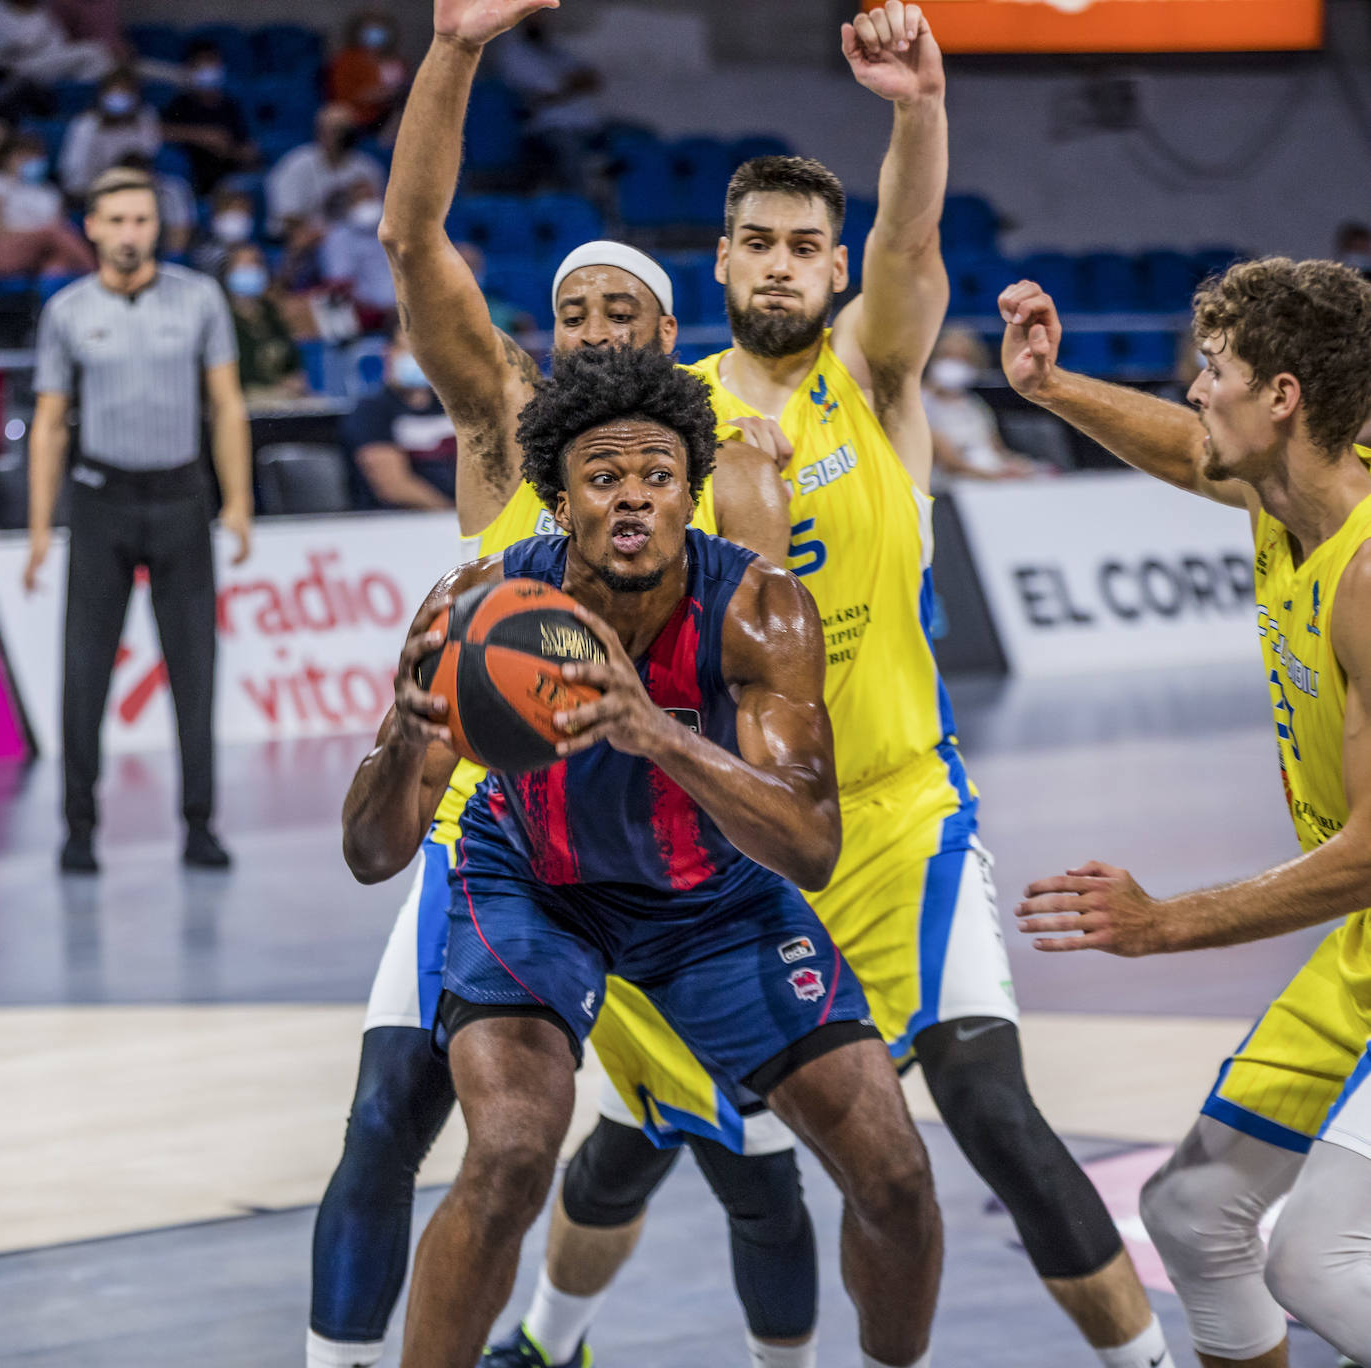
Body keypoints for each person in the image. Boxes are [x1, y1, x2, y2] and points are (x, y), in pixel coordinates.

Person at [490, 7, 1175, 1368]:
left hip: (893, 819)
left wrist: (918, 107)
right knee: (641, 1134)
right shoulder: (663, 424)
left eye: (811, 246)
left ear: (835, 267)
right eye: (760, 241)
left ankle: (1140, 1362)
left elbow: (915, 247)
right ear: (723, 258)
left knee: (985, 1108)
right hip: (724, 840)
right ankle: (544, 1337)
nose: (784, 265)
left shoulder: (873, 372)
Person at [306, 5, 793, 1361]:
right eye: (570, 308)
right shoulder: (502, 421)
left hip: (670, 849)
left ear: (665, 327)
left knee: (745, 1154)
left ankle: (555, 1329)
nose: (588, 329)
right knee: (397, 1116)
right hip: (498, 832)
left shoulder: (714, 461)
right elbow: (412, 240)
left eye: (617, 310)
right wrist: (455, 49)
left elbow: (752, 658)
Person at [342, 341, 944, 1368]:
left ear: (691, 491)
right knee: (511, 1156)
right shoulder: (481, 608)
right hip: (538, 886)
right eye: (603, 478)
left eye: (658, 477)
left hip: (713, 899)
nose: (633, 500)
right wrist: (405, 737)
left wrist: (657, 730)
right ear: (559, 500)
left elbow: (810, 845)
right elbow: (371, 854)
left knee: (893, 1177)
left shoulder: (758, 607)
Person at [1005, 259, 1371, 1368]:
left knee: (1316, 1258)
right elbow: (1181, 448)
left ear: (1285, 398)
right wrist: (1050, 387)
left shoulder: (1365, 578)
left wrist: (1166, 923)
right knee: (1195, 1214)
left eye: (1213, 369)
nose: (1193, 387)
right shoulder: (1282, 495)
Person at [24, 164, 252, 874]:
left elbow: (227, 405)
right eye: (116, 221)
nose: (129, 234)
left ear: (158, 227)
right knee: (84, 671)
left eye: (141, 221)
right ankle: (79, 829)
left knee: (195, 670)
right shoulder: (65, 311)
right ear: (91, 228)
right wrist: (39, 528)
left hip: (182, 501)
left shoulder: (200, 299)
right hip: (100, 504)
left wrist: (238, 501)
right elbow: (51, 424)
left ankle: (200, 825)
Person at [487, 7, 602, 192]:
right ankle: (579, 207)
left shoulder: (555, 51)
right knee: (570, 159)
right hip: (548, 128)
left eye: (543, 15)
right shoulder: (515, 53)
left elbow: (595, 80)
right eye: (533, 16)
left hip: (586, 126)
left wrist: (567, 86)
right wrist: (573, 84)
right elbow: (550, 88)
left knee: (631, 142)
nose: (540, 20)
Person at [341, 332, 455, 508]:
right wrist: (453, 517)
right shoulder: (371, 411)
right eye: (407, 349)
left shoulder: (458, 407)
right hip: (402, 523)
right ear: (388, 353)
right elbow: (393, 486)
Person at [922, 326, 1040, 482]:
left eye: (963, 358)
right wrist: (996, 476)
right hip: (949, 485)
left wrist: (1018, 465)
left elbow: (997, 449)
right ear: (933, 357)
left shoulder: (973, 404)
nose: (955, 363)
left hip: (987, 477)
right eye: (948, 355)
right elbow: (949, 463)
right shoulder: (921, 402)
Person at [265, 103, 385, 240]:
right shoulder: (295, 165)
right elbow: (288, 217)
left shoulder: (367, 167)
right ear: (319, 132)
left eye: (345, 130)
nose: (342, 136)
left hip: (355, 241)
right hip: (310, 241)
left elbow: (378, 215)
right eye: (336, 130)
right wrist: (325, 234)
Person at [161, 38, 255, 196]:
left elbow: (243, 143)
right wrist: (203, 137)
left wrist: (235, 150)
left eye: (212, 63)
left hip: (229, 174)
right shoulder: (181, 104)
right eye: (202, 64)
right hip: (194, 174)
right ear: (191, 69)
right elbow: (162, 131)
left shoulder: (230, 105)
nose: (209, 69)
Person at [0, 130, 95, 277]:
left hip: (43, 251)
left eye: (35, 156)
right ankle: (98, 273)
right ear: (7, 159)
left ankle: (44, 296)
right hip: (6, 250)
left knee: (58, 265)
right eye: (24, 156)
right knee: (53, 231)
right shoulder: (0, 184)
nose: (30, 161)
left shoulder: (50, 193)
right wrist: (38, 234)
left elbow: (63, 230)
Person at [57, 66, 160, 200]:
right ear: (102, 95)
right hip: (90, 187)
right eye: (114, 92)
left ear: (136, 96)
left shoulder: (145, 118)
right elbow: (74, 169)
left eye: (125, 92)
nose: (119, 97)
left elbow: (148, 155)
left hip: (134, 183)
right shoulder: (86, 124)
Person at [221, 242, 306, 400]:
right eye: (243, 264)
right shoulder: (220, 318)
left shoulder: (272, 314)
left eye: (255, 263)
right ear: (227, 272)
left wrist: (294, 380)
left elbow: (293, 364)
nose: (250, 269)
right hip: (242, 402)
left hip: (282, 401)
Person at [320, 179, 396, 330]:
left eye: (371, 198)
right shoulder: (339, 238)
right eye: (361, 199)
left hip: (407, 307)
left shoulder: (396, 230)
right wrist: (378, 311)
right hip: (369, 315)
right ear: (349, 206)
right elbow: (340, 283)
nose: (368, 204)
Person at [327, 9, 410, 134]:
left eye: (380, 29)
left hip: (389, 116)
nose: (375, 34)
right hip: (355, 116)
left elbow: (405, 89)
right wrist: (378, 94)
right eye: (370, 29)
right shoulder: (347, 60)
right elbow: (345, 95)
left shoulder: (397, 62)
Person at [190, 183, 257, 279]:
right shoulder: (200, 256)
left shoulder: (260, 255)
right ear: (214, 216)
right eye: (228, 209)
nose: (235, 217)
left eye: (241, 210)